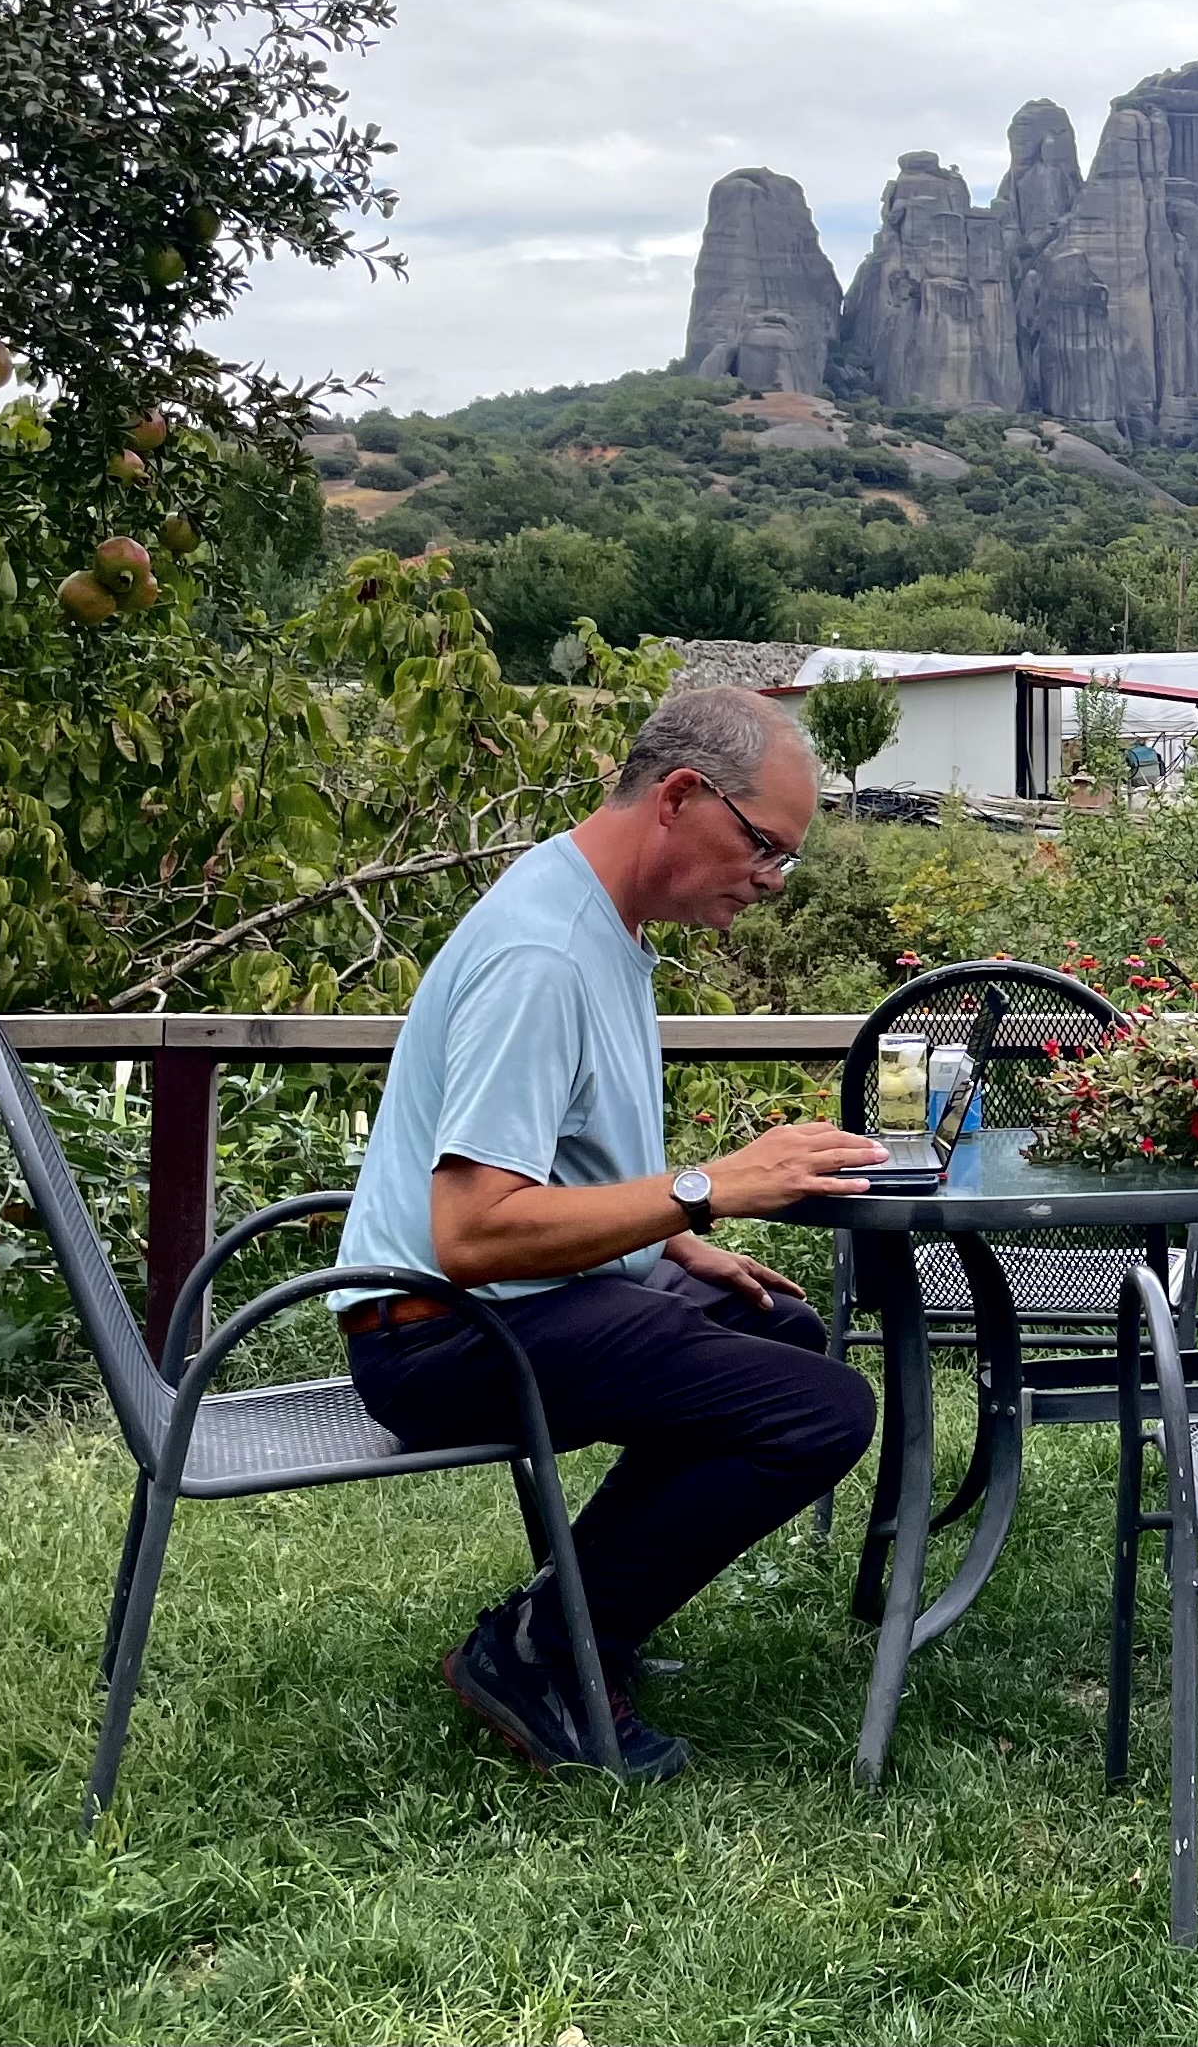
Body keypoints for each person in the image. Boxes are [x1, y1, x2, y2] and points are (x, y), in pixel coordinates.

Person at [336, 686, 888, 1782]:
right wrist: (706, 1191)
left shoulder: (596, 918)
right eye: (766, 846)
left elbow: (559, 1159)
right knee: (825, 1410)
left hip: (509, 1302)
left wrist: (676, 1243)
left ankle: (586, 1618)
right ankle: (540, 1654)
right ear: (682, 797)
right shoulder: (542, 955)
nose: (774, 880)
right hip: (441, 1333)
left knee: (772, 1325)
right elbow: (476, 1233)